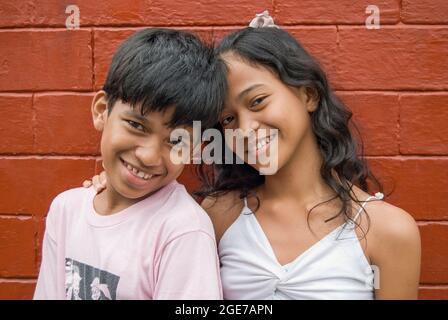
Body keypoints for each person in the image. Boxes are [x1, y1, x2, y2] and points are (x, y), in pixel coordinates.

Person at [198, 12, 421, 299]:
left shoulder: (386, 229)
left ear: (309, 95)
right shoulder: (219, 214)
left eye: (257, 101)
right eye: (228, 119)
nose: (244, 129)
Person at [34, 28, 227, 300]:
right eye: (136, 125)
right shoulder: (66, 211)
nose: (149, 156)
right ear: (102, 111)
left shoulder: (182, 231)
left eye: (176, 141)